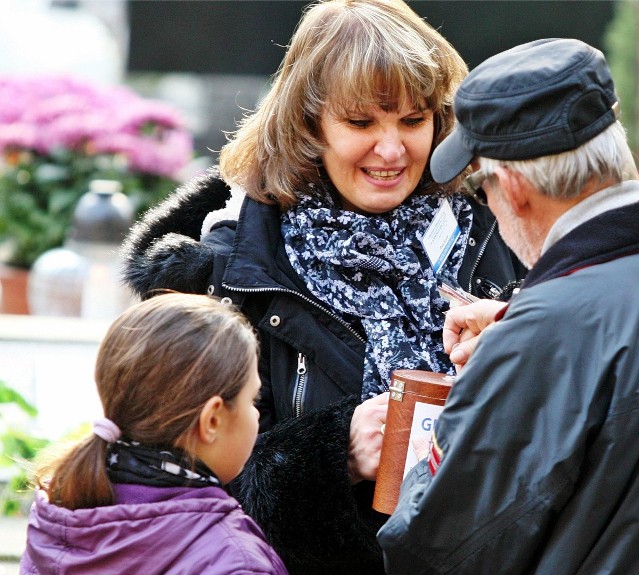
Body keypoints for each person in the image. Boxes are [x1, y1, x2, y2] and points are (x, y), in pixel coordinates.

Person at [121, 1, 525, 573]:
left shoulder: (503, 234)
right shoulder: (223, 273)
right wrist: (330, 453)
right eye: (361, 123)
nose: (392, 150)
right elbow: (172, 489)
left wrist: (519, 349)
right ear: (309, 126)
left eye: (413, 121)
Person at [378, 38, 639, 574]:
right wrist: (522, 321)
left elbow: (433, 550)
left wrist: (501, 362)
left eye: (483, 186)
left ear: (514, 186)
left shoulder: (545, 334)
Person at [20, 293, 288, 574]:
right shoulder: (236, 562)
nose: (256, 414)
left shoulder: (55, 520)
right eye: (252, 400)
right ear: (212, 420)